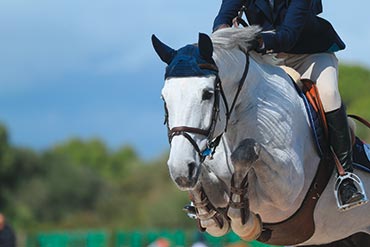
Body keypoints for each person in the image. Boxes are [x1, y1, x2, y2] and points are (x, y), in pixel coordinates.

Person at [213, 0, 367, 208]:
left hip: (309, 56)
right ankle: (210, 169)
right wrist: (224, 33)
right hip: (267, 59)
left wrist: (250, 39)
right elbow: (223, 18)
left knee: (329, 94)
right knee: (231, 89)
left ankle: (346, 178)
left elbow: (288, 35)